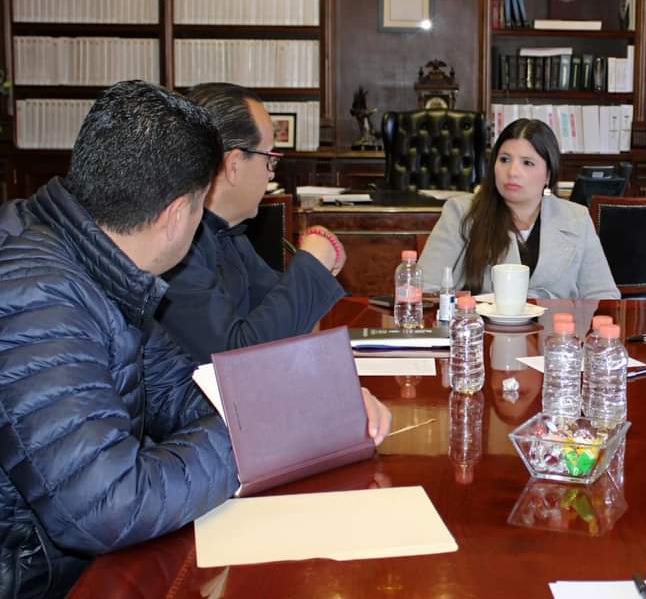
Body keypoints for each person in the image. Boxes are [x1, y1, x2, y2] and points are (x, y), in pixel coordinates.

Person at [0, 81, 390, 599]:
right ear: (174, 216)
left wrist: (316, 407)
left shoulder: (96, 259)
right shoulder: (39, 294)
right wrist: (258, 434)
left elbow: (182, 392)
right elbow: (109, 507)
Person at [156, 82, 347, 364]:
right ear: (233, 164)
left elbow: (280, 313)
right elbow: (238, 357)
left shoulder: (226, 232)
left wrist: (313, 268)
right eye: (269, 159)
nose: (271, 174)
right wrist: (314, 262)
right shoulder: (176, 245)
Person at [418, 118, 620, 299]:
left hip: (554, 333)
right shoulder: (461, 212)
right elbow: (425, 288)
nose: (513, 172)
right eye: (504, 159)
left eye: (528, 163)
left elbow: (604, 295)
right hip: (481, 334)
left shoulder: (576, 218)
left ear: (548, 174)